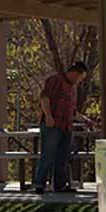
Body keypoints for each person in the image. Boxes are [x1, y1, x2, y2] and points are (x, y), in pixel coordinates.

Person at [34, 62, 90, 194]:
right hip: (52, 125)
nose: (80, 81)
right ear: (75, 73)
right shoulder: (55, 80)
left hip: (66, 126)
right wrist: (48, 115)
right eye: (80, 77)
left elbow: (73, 112)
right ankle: (40, 184)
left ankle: (60, 185)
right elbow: (44, 97)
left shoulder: (72, 89)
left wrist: (87, 120)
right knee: (48, 154)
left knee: (63, 157)